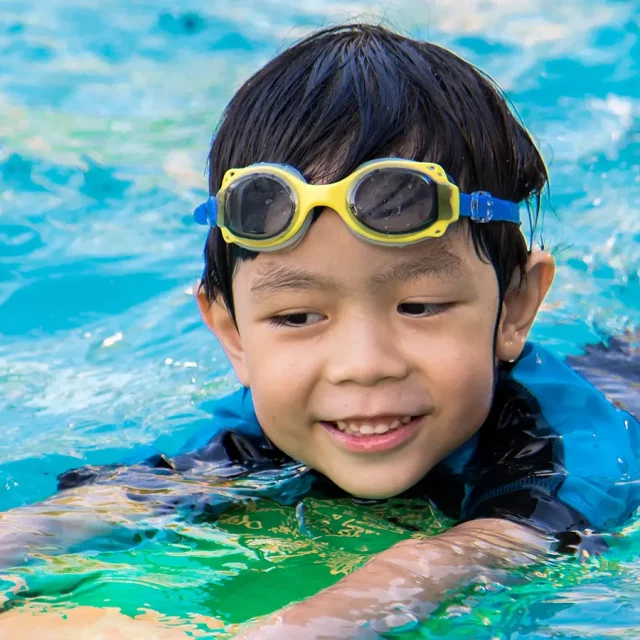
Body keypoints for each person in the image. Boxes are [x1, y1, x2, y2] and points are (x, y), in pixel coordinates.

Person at [2, 23, 639, 639]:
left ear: (516, 307)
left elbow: (471, 556)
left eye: (419, 306)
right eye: (297, 317)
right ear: (233, 333)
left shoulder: (562, 445)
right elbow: (105, 507)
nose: (361, 365)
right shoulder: (256, 426)